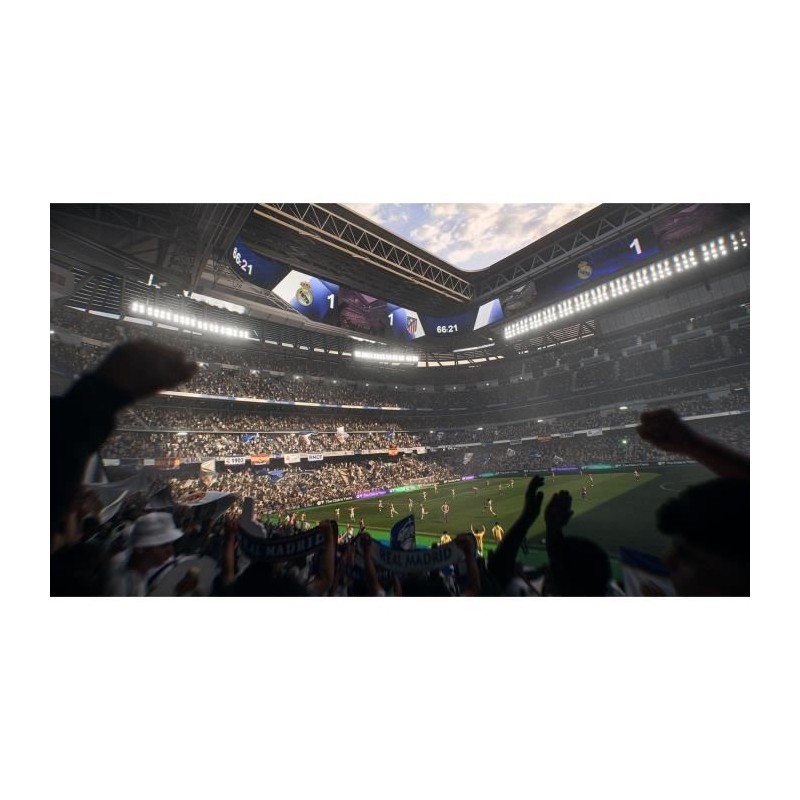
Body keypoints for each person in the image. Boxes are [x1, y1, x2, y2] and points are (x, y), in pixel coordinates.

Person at [107, 512, 185, 596]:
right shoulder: (120, 579)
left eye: (170, 544)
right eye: (163, 546)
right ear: (140, 548)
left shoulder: (141, 573)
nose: (170, 551)